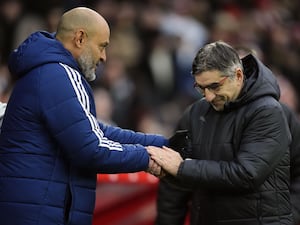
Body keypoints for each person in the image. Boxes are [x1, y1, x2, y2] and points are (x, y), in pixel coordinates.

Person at [0, 7, 167, 225]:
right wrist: (148, 157)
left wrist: (162, 144)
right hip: (37, 214)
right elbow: (91, 148)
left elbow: (95, 131)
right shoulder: (59, 75)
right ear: (80, 38)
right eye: (102, 46)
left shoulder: (49, 71)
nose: (104, 57)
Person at [147, 41, 293, 225]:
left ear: (238, 75)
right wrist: (171, 172)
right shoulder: (194, 113)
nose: (208, 96)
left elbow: (247, 175)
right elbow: (174, 189)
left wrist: (182, 168)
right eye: (201, 88)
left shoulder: (268, 112)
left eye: (215, 86)